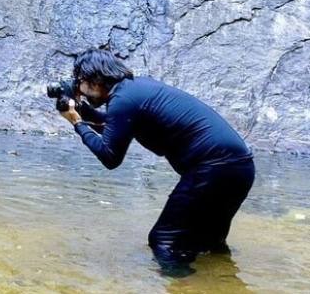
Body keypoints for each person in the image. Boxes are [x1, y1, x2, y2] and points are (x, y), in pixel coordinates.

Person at [57, 48, 255, 272]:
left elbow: (110, 157)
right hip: (241, 167)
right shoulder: (135, 89)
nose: (80, 88)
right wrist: (81, 110)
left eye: (80, 81)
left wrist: (77, 123)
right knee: (210, 241)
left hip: (213, 168)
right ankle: (224, 283)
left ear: (94, 79)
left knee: (162, 241)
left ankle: (182, 284)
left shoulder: (122, 100)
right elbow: (114, 125)